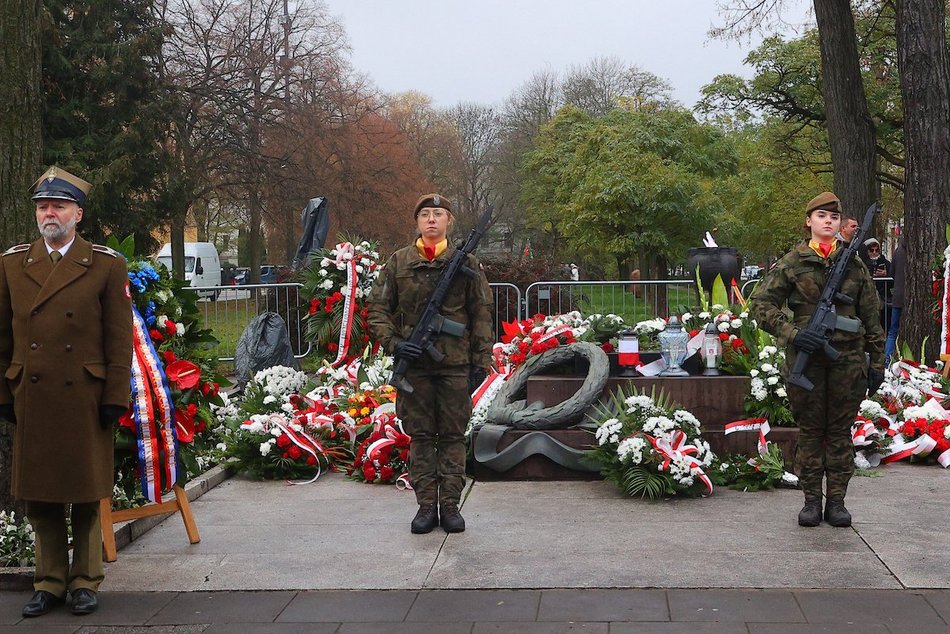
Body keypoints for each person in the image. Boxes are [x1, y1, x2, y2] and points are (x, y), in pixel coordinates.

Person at [0, 167, 133, 617]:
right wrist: (4, 391)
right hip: (33, 395)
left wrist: (116, 394)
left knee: (86, 491)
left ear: (78, 213)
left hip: (86, 396)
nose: (49, 213)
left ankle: (85, 580)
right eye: (42, 206)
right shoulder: (13, 264)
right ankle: (49, 581)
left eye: (58, 206)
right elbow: (2, 336)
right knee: (40, 494)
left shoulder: (106, 265)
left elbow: (119, 339)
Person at [750, 191, 884, 528]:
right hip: (806, 360)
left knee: (839, 433)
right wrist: (794, 334)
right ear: (809, 221)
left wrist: (878, 363)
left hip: (848, 360)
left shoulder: (853, 264)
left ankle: (837, 502)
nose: (828, 221)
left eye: (834, 217)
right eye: (821, 216)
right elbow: (760, 305)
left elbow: (871, 316)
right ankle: (811, 502)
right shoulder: (792, 263)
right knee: (810, 432)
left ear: (840, 224)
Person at [367, 194, 493, 534]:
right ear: (417, 222)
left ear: (449, 221)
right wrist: (396, 345)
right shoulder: (399, 262)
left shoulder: (466, 263)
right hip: (417, 367)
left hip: (455, 365)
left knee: (452, 436)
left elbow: (480, 313)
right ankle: (425, 507)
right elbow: (377, 310)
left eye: (438, 214)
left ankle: (450, 505)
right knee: (421, 437)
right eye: (425, 214)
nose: (432, 220)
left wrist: (481, 361)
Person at [860, 237, 891, 327]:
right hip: (867, 297)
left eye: (877, 250)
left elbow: (892, 278)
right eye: (871, 250)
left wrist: (886, 274)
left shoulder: (885, 263)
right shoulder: (861, 262)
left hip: (883, 297)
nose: (874, 253)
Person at [884, 237, 905, 363]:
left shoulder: (898, 251)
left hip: (898, 296)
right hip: (906, 297)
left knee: (893, 330)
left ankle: (888, 358)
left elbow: (891, 272)